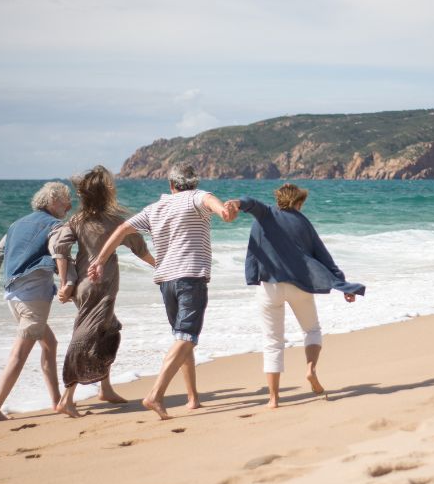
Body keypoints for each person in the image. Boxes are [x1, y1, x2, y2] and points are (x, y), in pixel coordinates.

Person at [88, 165, 236, 420]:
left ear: (171, 185)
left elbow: (122, 229)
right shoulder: (198, 196)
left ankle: (193, 398)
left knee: (182, 338)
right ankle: (155, 394)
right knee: (186, 337)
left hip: (166, 280)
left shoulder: (155, 208)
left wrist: (100, 260)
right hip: (190, 276)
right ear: (195, 182)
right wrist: (227, 211)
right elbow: (219, 209)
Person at [225, 183, 364, 409]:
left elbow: (250, 203)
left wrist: (235, 204)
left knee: (272, 343)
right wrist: (344, 285)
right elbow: (324, 257)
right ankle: (310, 369)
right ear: (298, 202)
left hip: (269, 288)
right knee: (312, 330)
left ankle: (273, 399)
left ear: (278, 199)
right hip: (299, 286)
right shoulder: (303, 223)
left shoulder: (265, 213)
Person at [50, 166, 155, 418]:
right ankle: (67, 398)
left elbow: (60, 247)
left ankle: (105, 388)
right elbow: (139, 247)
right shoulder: (114, 220)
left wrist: (66, 281)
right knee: (85, 338)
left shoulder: (77, 220)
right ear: (105, 192)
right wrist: (159, 264)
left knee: (109, 332)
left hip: (85, 287)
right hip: (102, 287)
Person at [0, 181, 74, 423]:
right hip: (33, 298)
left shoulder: (16, 224)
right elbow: (59, 251)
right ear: (53, 201)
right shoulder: (55, 225)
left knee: (49, 343)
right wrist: (68, 283)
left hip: (14, 296)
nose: (70, 205)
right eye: (66, 200)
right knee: (18, 355)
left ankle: (56, 401)